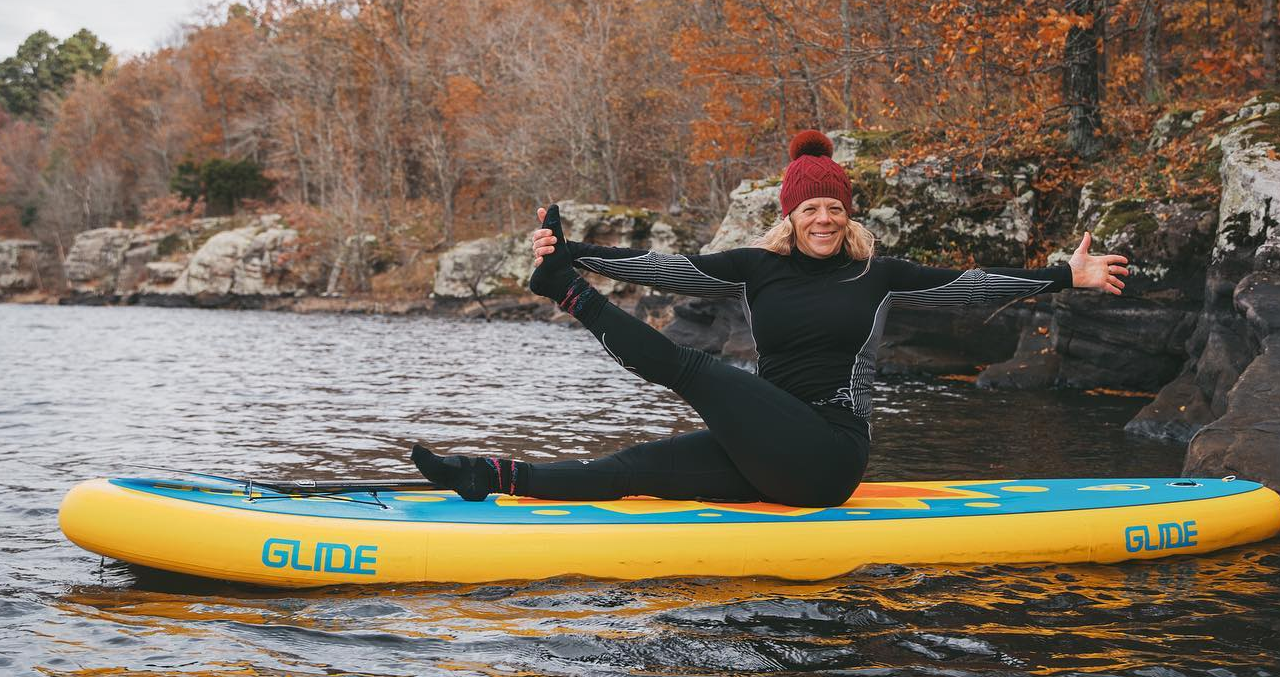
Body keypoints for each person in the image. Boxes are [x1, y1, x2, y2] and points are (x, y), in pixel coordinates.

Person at [411, 130, 1128, 507]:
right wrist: (573, 249)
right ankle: (492, 474)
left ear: (848, 217)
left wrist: (1065, 274)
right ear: (790, 215)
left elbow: (972, 287)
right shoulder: (757, 268)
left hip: (827, 455)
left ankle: (567, 295)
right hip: (763, 441)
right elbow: (667, 266)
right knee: (630, 468)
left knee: (696, 371)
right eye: (810, 207)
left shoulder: (880, 276)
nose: (823, 217)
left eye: (834, 208)